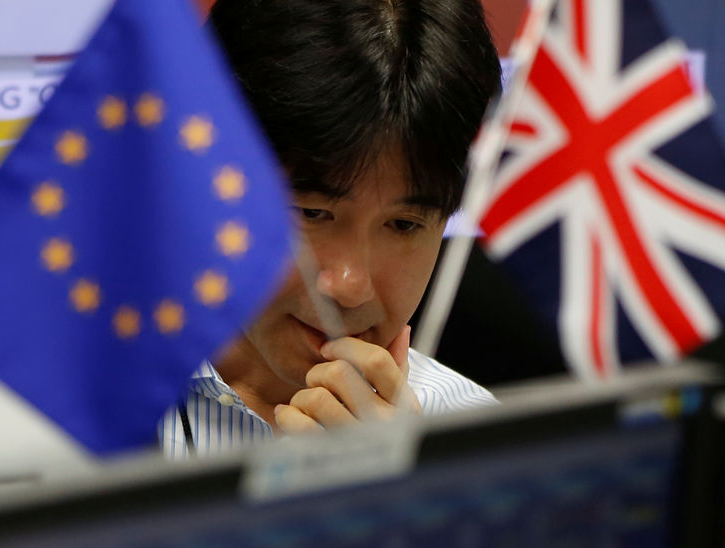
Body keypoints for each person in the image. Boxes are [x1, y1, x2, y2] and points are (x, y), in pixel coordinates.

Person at [160, 0, 503, 457]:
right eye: (311, 214)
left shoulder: (479, 452)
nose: (350, 286)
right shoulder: (65, 409)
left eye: (403, 225)